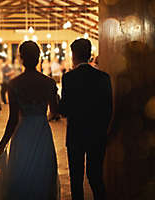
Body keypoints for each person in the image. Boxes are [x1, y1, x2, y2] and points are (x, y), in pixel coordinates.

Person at [0, 41, 60, 200]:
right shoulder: (49, 83)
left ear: (21, 58)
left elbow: (13, 119)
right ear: (38, 58)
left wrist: (2, 144)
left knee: (21, 174)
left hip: (22, 134)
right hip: (42, 133)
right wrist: (42, 118)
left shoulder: (14, 84)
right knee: (42, 174)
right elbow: (55, 112)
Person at [59, 38, 113, 200]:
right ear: (90, 54)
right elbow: (108, 108)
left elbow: (64, 111)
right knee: (96, 177)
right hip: (98, 134)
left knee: (76, 180)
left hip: (76, 134)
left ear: (74, 55)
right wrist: (104, 131)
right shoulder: (104, 77)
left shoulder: (69, 78)